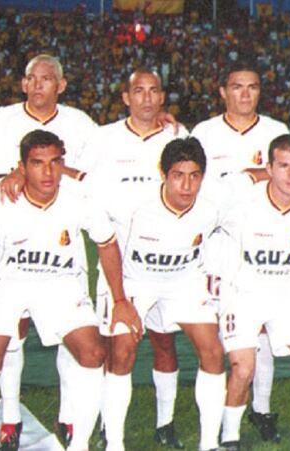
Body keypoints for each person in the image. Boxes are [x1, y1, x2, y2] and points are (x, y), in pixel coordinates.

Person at [0, 130, 140, 451]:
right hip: (6, 283)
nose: (48, 172)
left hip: (59, 283)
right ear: (21, 167)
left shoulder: (79, 197)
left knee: (93, 353)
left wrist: (119, 300)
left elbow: (107, 243)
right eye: (37, 163)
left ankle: (79, 446)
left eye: (55, 162)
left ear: (63, 163)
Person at [151, 59, 288, 445]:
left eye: (253, 87)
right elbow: (184, 170)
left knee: (260, 330)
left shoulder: (276, 131)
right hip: (214, 247)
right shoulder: (205, 133)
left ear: (260, 91)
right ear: (223, 92)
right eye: (237, 87)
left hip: (261, 246)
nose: (245, 94)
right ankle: (208, 416)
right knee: (210, 336)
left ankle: (261, 409)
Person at [98, 137, 226, 451]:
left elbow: (256, 179)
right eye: (178, 175)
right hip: (135, 283)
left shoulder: (214, 203)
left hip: (184, 282)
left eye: (194, 176)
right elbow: (82, 195)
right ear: (163, 173)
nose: (187, 185)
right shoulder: (129, 201)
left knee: (212, 351)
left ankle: (208, 444)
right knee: (122, 351)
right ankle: (113, 442)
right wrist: (119, 300)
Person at [217, 135, 290, 451]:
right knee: (244, 368)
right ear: (269, 168)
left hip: (288, 296)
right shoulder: (242, 202)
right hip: (244, 294)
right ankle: (229, 438)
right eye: (283, 166)